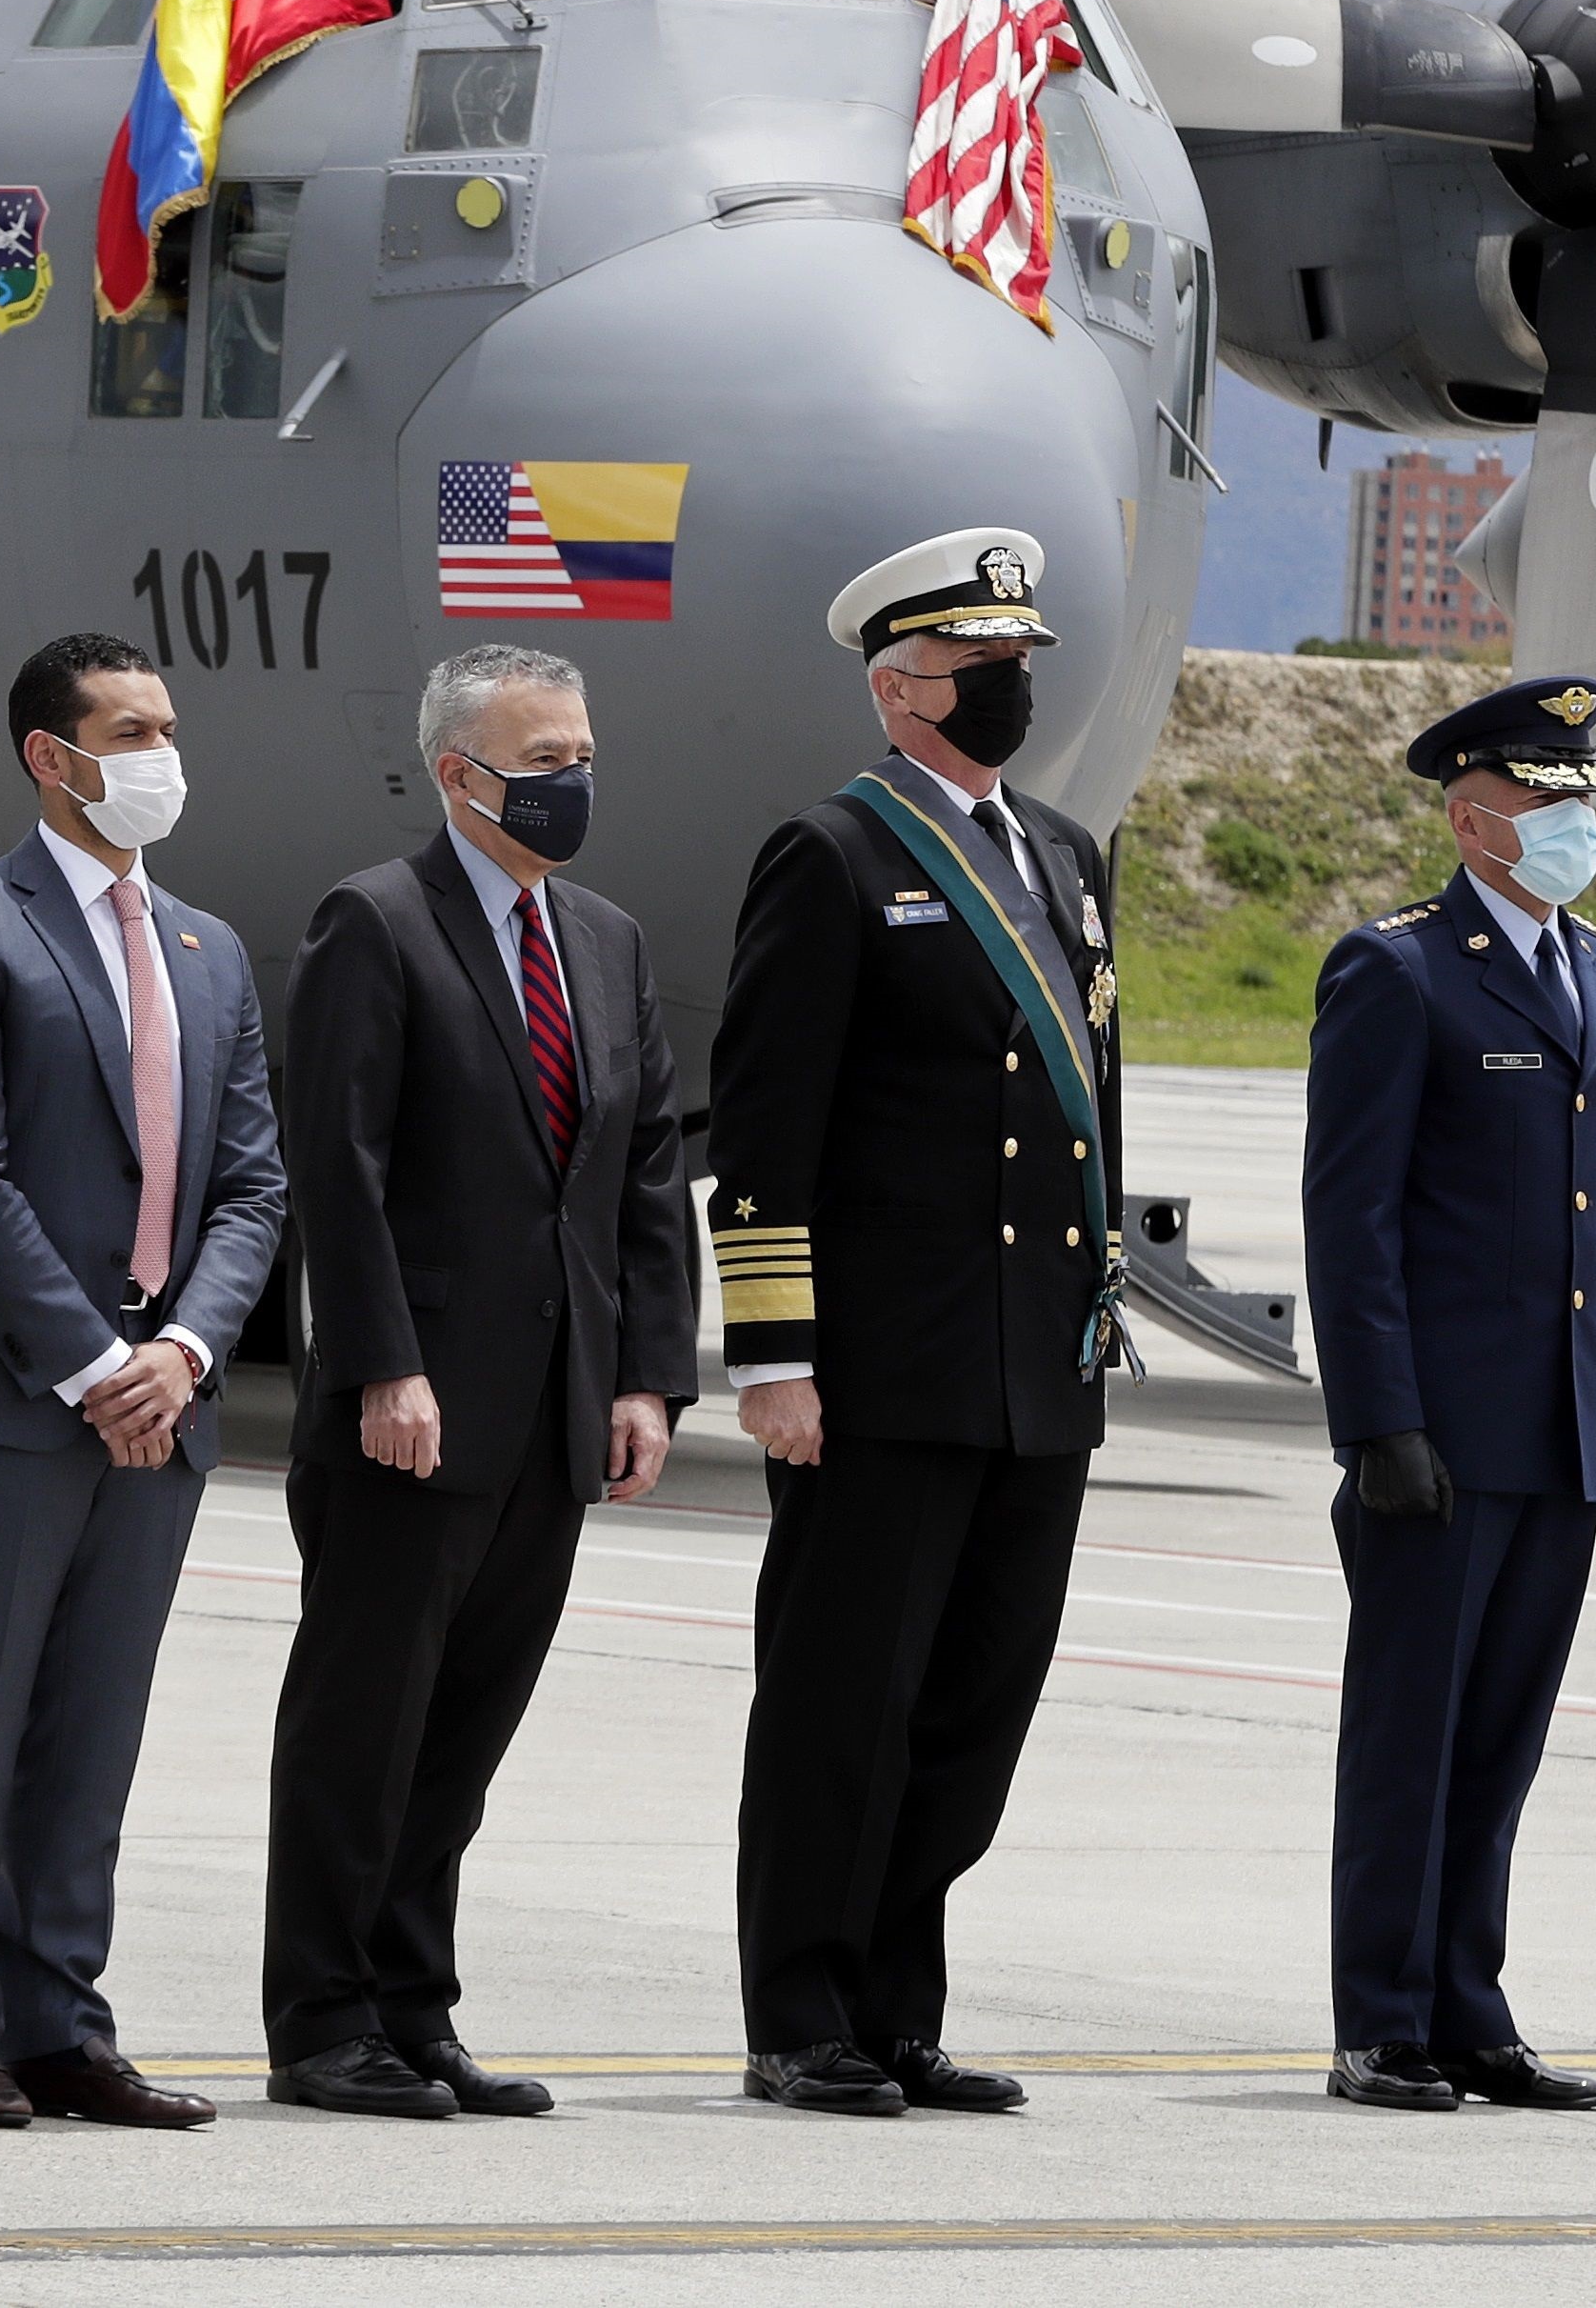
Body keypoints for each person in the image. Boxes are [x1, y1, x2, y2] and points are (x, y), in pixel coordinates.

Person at [708, 527, 1127, 2117]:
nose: (1014, 689)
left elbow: (1091, 1111)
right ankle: (800, 2009)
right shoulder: (831, 856)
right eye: (985, 669)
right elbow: (766, 1125)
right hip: (882, 1369)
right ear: (900, 686)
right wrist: (772, 1356)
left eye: (1021, 665)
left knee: (971, 1703)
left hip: (1033, 1365)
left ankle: (898, 2002)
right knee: (841, 1700)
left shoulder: (1067, 860)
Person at [260, 641, 698, 2118]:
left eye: (585, 753)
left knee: (463, 1735)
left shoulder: (610, 939)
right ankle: (323, 2020)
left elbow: (643, 1173)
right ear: (461, 773)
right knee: (361, 1726)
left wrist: (648, 1375)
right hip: (412, 1410)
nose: (575, 780)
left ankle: (415, 2004)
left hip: (557, 1407)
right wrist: (383, 1359)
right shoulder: (373, 924)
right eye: (546, 759)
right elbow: (341, 1168)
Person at [0, 632, 285, 2133]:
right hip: (11, 1391)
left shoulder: (209, 948)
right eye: (130, 727)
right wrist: (97, 1357)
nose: (161, 754)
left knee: (95, 1727)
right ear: (52, 755)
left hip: (160, 1401)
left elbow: (251, 1185)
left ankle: (62, 2018)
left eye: (170, 724)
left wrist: (182, 1350)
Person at [1302, 673, 1596, 2116]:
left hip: (1560, 1427)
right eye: (1549, 794)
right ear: (1474, 815)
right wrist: (1379, 1421)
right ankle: (1381, 2018)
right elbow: (1357, 1218)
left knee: (1503, 1734)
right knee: (1413, 1733)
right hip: (1439, 1438)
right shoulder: (1399, 970)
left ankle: (1470, 2005)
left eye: (1585, 792)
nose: (1578, 817)